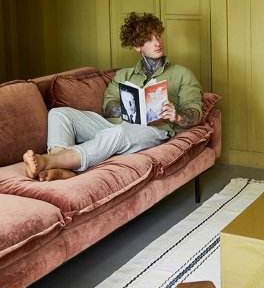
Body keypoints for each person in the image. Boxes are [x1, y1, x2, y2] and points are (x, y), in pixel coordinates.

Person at [23, 12, 202, 181]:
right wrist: (129, 110)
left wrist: (177, 116)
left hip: (155, 131)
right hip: (116, 124)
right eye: (149, 39)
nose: (157, 42)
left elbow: (195, 113)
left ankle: (48, 161)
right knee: (59, 113)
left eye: (158, 36)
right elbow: (108, 106)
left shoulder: (182, 74)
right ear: (137, 46)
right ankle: (63, 166)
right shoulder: (124, 75)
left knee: (119, 132)